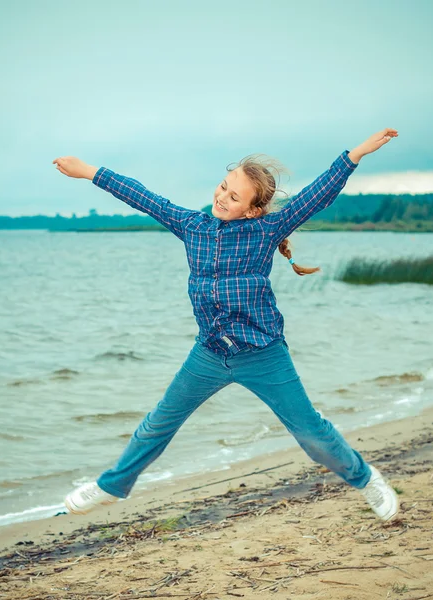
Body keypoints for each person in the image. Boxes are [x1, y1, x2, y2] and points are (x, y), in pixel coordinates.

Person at [53, 128, 400, 521]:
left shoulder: (266, 230)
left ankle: (366, 479)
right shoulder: (192, 227)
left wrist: (354, 155)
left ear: (252, 209)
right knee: (158, 423)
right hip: (209, 353)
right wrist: (90, 172)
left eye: (233, 196)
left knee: (310, 433)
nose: (221, 197)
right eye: (222, 187)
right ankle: (110, 487)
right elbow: (144, 197)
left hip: (262, 353)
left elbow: (316, 195)